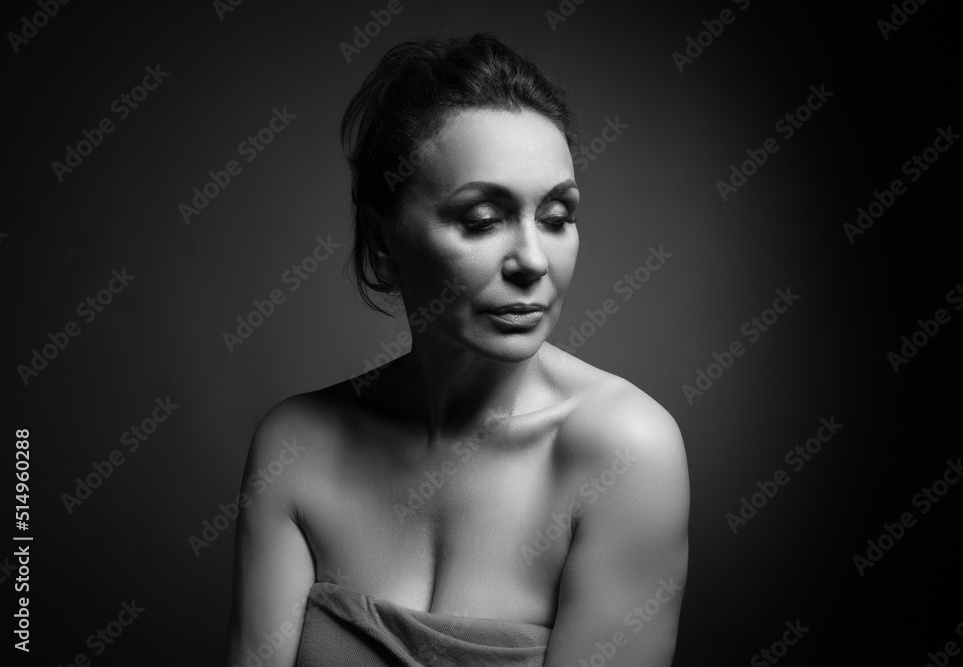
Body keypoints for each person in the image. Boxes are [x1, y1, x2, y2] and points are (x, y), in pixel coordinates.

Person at [224, 33, 689, 666]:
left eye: (556, 216)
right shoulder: (296, 445)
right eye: (482, 219)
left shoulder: (627, 452)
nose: (532, 260)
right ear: (383, 246)